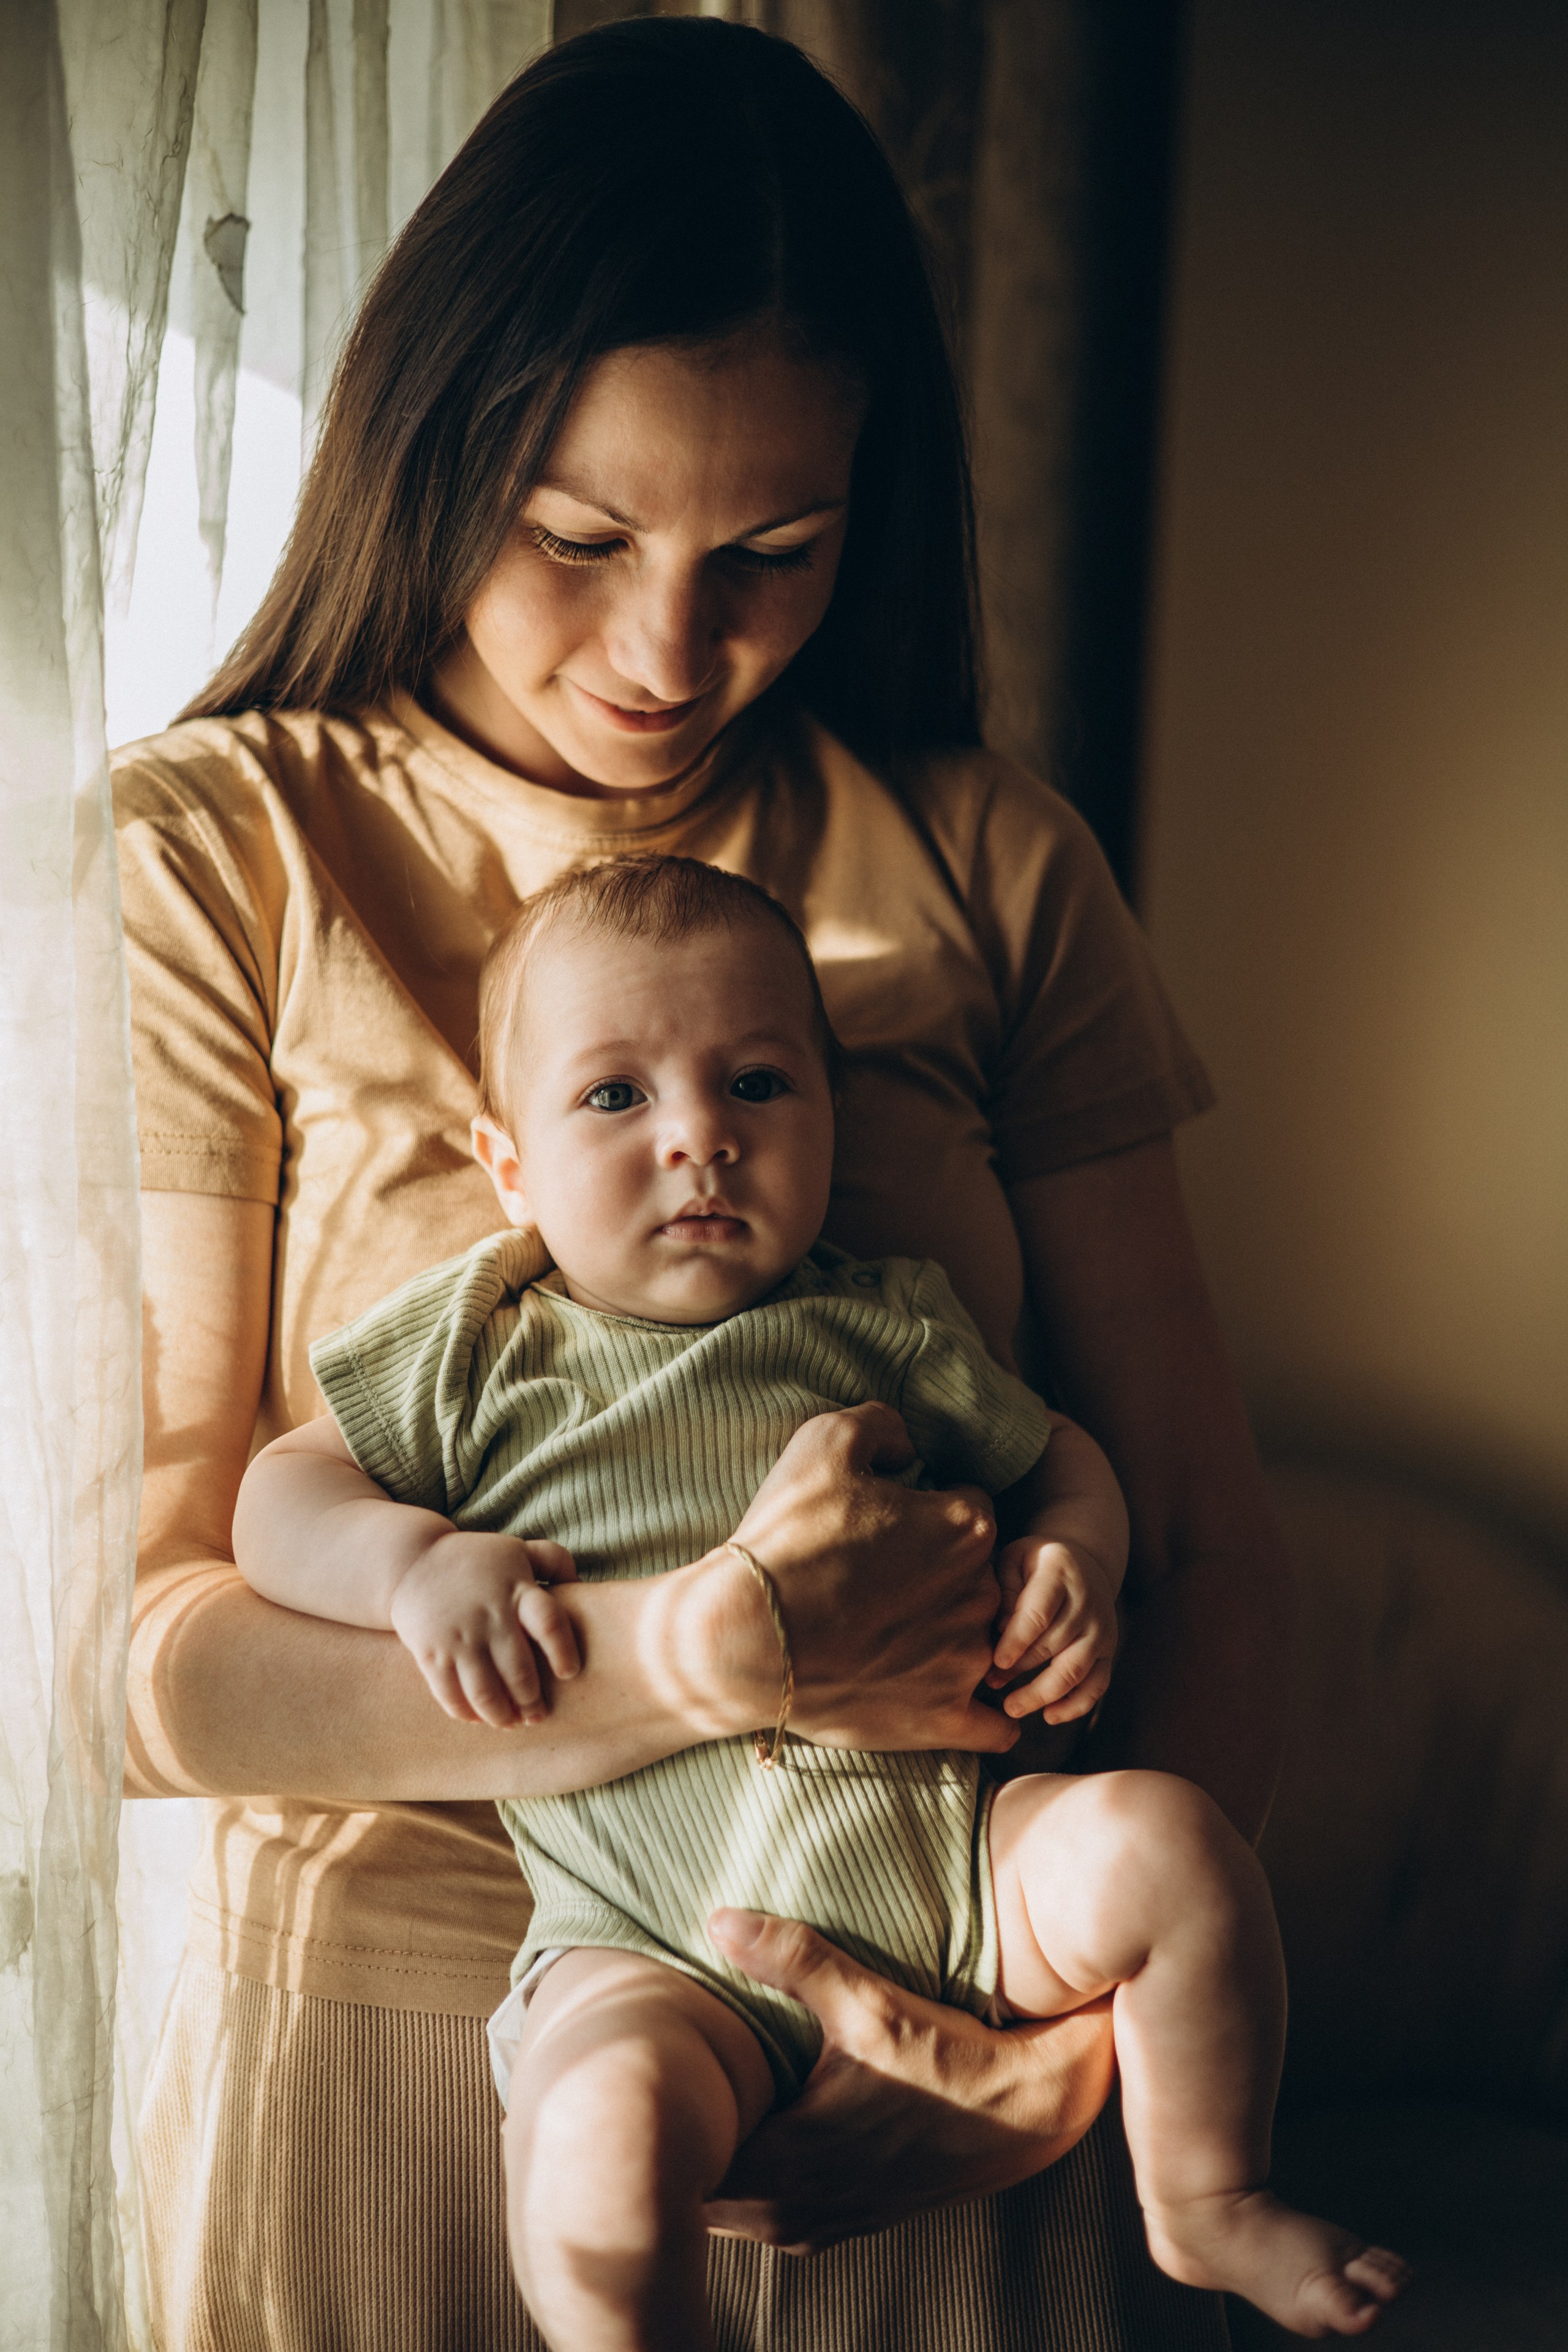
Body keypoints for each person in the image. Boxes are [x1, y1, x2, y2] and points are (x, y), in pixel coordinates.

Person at [118, 17, 1296, 2350]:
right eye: (578, 536)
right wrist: (686, 1659)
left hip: (944, 2006)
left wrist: (1057, 2072)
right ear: (433, 448)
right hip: (407, 2063)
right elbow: (145, 1653)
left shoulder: (988, 861)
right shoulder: (222, 851)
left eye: (776, 551)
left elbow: (1200, 1532)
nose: (672, 655)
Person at [232, 856, 1408, 2350]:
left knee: (1169, 1849)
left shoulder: (884, 1319)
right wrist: (409, 1567)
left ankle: (1202, 2201)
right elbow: (279, 1497)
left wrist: (1077, 1564)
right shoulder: (479, 1345)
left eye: (757, 1085)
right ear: (508, 1163)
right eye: (614, 1098)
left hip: (956, 1876)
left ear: (828, 1122)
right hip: (652, 1935)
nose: (699, 1140)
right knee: (596, 2138)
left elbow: (1072, 1465)